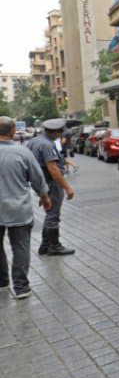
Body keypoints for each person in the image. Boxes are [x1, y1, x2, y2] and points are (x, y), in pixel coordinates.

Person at [0, 117, 52, 299]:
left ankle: (2, 281)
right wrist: (44, 196)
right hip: (18, 209)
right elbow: (37, 178)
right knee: (20, 247)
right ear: (13, 131)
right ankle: (21, 287)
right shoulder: (22, 153)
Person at [26, 118, 76, 256]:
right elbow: (53, 169)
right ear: (55, 132)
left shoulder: (33, 141)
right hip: (51, 183)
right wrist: (67, 188)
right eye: (60, 133)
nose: (61, 136)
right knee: (53, 214)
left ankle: (45, 245)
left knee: (50, 214)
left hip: (41, 182)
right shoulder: (47, 145)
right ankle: (54, 246)